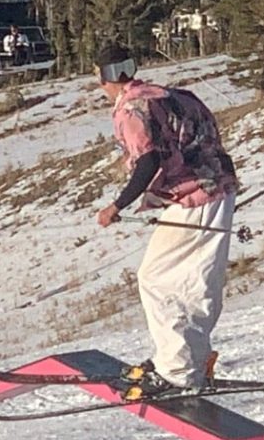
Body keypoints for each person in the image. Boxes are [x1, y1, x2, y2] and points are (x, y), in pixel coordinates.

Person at [93, 44, 239, 393]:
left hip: (191, 198)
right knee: (198, 280)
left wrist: (117, 206)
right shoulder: (174, 95)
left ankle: (175, 370)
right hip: (219, 189)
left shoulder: (132, 108)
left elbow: (148, 162)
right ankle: (193, 362)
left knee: (157, 278)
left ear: (103, 79)